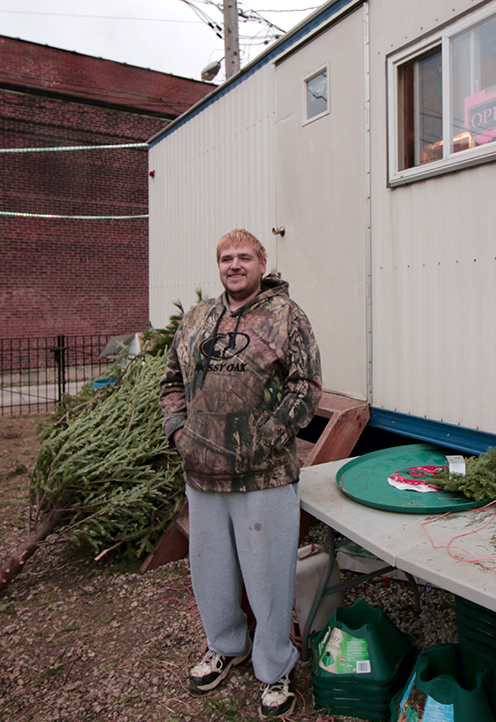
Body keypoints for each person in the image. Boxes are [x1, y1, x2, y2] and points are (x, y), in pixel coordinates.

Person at [159, 228, 322, 718]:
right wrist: (177, 434)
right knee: (211, 570)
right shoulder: (197, 320)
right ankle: (226, 645)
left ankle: (275, 667)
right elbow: (170, 383)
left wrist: (263, 439)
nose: (235, 265)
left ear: (261, 261)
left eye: (244, 257)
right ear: (219, 265)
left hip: (264, 476)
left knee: (268, 576)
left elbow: (307, 387)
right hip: (202, 474)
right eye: (226, 258)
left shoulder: (286, 316)